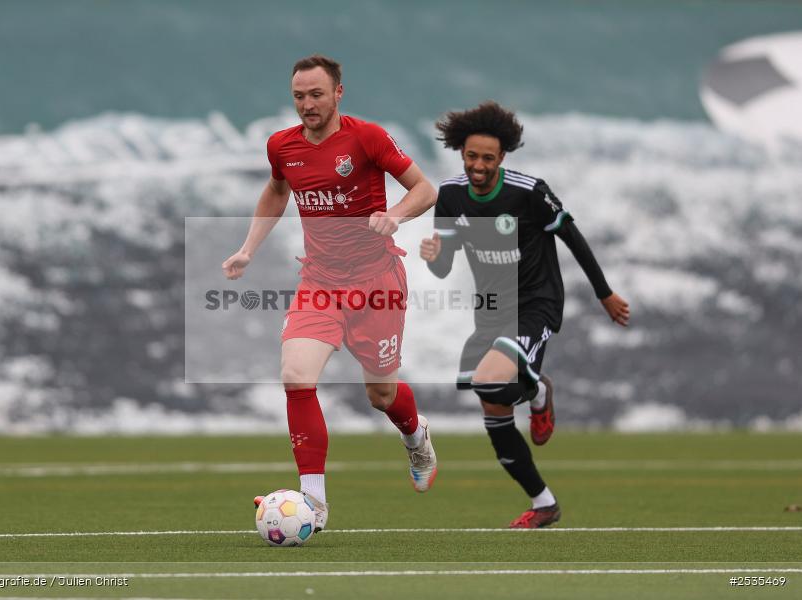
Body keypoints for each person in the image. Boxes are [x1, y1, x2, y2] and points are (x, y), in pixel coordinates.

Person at [223, 55, 439, 533]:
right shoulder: (282, 145)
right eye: (299, 96)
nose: (307, 104)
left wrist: (397, 215)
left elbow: (425, 189)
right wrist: (247, 249)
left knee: (381, 394)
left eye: (316, 94)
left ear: (338, 93)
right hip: (319, 281)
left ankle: (416, 434)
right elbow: (277, 192)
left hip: (377, 282)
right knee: (296, 375)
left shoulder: (367, 138)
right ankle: (314, 502)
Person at [421, 101, 629, 528]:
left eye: (488, 158)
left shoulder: (528, 191)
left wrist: (604, 294)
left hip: (537, 302)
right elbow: (443, 266)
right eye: (472, 156)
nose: (479, 165)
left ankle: (538, 394)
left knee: (488, 380)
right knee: (493, 407)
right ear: (461, 152)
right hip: (492, 309)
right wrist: (434, 256)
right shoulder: (450, 194)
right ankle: (544, 503)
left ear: (502, 157)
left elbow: (573, 238)